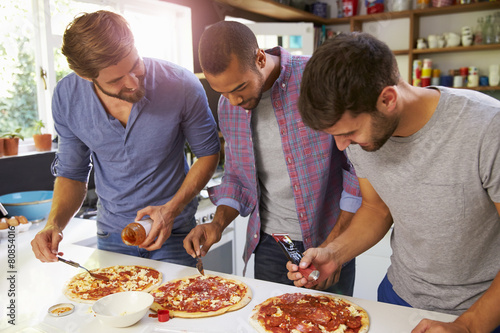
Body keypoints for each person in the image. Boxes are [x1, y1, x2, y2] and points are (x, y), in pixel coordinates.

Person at [287, 32, 500, 332]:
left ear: (387, 99)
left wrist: (468, 326)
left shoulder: (487, 128)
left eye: (348, 132)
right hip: (396, 296)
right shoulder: (362, 140)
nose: (341, 146)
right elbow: (376, 209)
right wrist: (333, 255)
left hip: (482, 312)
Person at [183, 21, 361, 295]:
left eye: (239, 87)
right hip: (269, 243)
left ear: (260, 58)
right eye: (223, 92)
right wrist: (216, 224)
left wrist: (334, 246)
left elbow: (358, 173)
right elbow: (237, 176)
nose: (233, 101)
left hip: (330, 238)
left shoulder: (319, 79)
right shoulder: (229, 107)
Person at [31, 10, 220, 267]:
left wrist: (171, 209)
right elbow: (72, 174)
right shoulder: (67, 97)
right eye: (117, 79)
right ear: (87, 77)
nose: (132, 82)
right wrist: (54, 225)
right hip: (112, 237)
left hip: (174, 234)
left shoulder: (181, 84)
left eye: (135, 66)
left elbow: (208, 153)